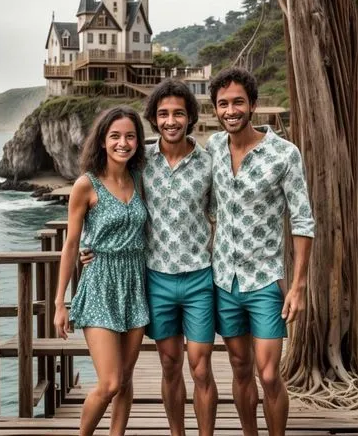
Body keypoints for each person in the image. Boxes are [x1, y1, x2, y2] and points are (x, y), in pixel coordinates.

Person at [81, 79, 218, 436]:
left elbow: (222, 215)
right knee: (170, 365)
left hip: (199, 277)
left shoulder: (208, 163)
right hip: (154, 278)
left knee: (201, 369)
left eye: (178, 113)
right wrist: (90, 243)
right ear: (154, 121)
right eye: (163, 114)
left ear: (190, 117)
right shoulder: (142, 163)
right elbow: (116, 201)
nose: (171, 120)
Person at [206, 67, 315, 436]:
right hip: (223, 280)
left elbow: (303, 222)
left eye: (238, 102)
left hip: (266, 281)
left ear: (252, 105)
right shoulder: (214, 149)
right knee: (239, 367)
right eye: (223, 104)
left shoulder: (284, 154)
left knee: (268, 374)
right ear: (215, 109)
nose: (230, 110)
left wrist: (297, 287)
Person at [54, 106, 149, 436]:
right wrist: (59, 303)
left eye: (130, 136)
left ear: (138, 141)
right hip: (99, 284)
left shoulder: (139, 178)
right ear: (103, 141)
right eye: (115, 136)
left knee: (125, 381)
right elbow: (71, 243)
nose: (123, 143)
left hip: (136, 284)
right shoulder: (86, 184)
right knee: (109, 383)